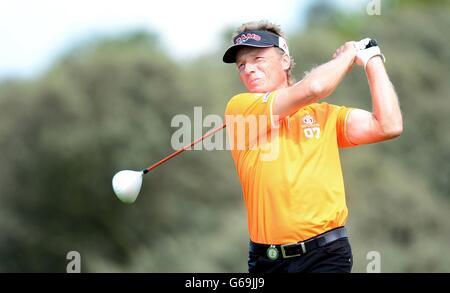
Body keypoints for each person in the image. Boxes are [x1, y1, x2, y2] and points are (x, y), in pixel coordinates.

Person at [222, 21, 402, 273]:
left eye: (258, 58)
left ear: (284, 60)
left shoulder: (325, 115)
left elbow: (389, 125)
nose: (248, 69)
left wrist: (372, 60)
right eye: (241, 65)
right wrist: (350, 53)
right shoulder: (240, 108)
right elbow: (314, 88)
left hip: (325, 255)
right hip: (268, 261)